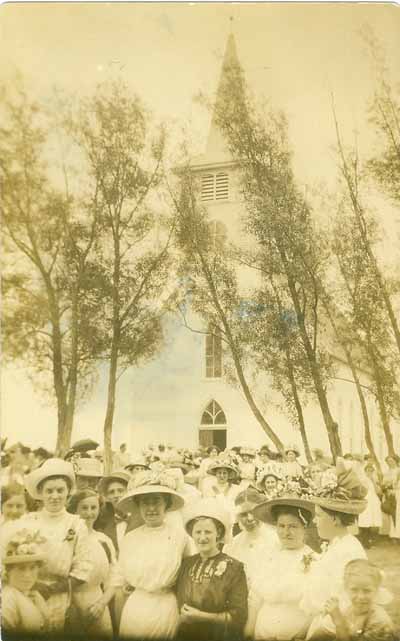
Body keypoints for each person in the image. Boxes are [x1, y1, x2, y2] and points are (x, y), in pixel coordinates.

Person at [115, 469, 191, 639]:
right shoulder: (130, 538)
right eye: (145, 502)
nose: (151, 508)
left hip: (166, 607)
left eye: (156, 501)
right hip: (135, 608)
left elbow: (186, 579)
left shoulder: (180, 537)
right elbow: (121, 584)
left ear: (166, 504)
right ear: (138, 506)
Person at [22, 458, 92, 633]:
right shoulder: (29, 521)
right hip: (29, 591)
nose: (55, 496)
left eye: (60, 490)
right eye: (49, 491)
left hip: (61, 595)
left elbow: (83, 569)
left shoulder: (76, 524)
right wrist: (33, 586)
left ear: (68, 491)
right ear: (40, 492)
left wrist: (51, 589)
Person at [301, 458, 369, 639]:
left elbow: (350, 603)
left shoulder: (349, 550)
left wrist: (321, 631)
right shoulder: (334, 544)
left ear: (335, 519)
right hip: (320, 623)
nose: (314, 521)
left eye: (319, 515)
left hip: (333, 630)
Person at [246, 489, 318, 640]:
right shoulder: (267, 555)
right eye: (281, 526)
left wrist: (304, 634)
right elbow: (255, 597)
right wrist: (249, 630)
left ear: (304, 528)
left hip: (296, 634)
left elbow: (316, 608)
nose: (286, 532)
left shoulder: (314, 559)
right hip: (262, 631)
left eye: (293, 526)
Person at [177, 498, 248, 641]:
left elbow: (239, 618)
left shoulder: (234, 568)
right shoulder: (186, 564)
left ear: (219, 533)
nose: (202, 538)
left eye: (208, 532)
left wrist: (201, 616)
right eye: (198, 532)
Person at [67, 489, 118, 638]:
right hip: (70, 605)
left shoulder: (104, 540)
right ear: (75, 510)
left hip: (97, 604)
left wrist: (101, 604)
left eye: (93, 507)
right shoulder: (67, 540)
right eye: (84, 508)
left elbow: (114, 578)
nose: (89, 513)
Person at [317, 559, 395, 641]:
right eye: (354, 590)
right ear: (346, 589)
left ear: (376, 591)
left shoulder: (379, 621)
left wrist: (339, 622)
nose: (360, 596)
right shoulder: (350, 610)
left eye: (367, 591)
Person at [224, 487, 278, 583]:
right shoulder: (232, 545)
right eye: (243, 514)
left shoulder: (276, 540)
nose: (250, 518)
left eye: (253, 512)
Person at [2, 527, 50, 635]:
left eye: (32, 568)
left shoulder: (33, 595)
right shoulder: (7, 599)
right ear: (8, 571)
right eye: (21, 568)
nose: (27, 575)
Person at [95, 470, 130, 554]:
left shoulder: (140, 518)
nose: (116, 495)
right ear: (108, 497)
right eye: (112, 492)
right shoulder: (104, 522)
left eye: (120, 490)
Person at [358, 463, 382, 548]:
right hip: (366, 500)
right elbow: (362, 490)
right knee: (365, 520)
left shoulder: (373, 480)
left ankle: (370, 541)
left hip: (374, 500)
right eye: (368, 471)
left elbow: (378, 491)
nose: (370, 472)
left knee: (373, 521)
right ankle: (365, 542)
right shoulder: (363, 479)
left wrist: (373, 481)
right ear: (365, 471)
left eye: (371, 471)